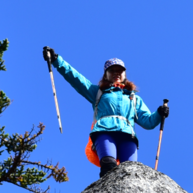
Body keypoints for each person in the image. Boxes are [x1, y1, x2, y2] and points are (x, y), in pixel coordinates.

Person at [46, 49, 169, 177]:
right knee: (108, 165)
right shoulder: (98, 92)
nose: (116, 73)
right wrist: (56, 60)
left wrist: (159, 113)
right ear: (106, 75)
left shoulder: (134, 98)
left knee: (132, 172)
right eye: (112, 70)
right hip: (104, 131)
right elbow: (76, 78)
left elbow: (148, 122)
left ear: (124, 74)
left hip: (128, 135)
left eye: (120, 71)